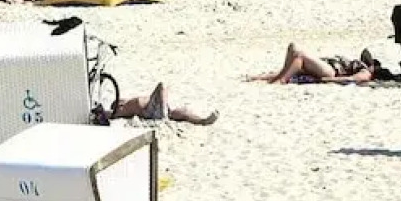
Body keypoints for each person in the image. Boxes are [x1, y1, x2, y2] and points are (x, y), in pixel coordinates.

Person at [248, 44, 386, 84]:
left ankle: (281, 80)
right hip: (327, 67)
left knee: (298, 53)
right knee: (294, 55)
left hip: (331, 71)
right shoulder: (359, 65)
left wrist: (329, 80)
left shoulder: (366, 71)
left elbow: (352, 79)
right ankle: (272, 77)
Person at [108, 83, 218, 125]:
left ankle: (202, 120)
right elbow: (112, 115)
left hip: (155, 108)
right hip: (150, 110)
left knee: (182, 112)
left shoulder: (129, 102)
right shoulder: (124, 108)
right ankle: (165, 112)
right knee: (161, 85)